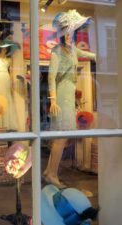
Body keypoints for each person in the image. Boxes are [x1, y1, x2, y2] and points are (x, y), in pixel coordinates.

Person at [42, 10, 96, 189]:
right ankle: (51, 173)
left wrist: (105, 56)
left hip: (68, 95)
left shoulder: (73, 49)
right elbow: (51, 77)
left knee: (61, 137)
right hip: (62, 95)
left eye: (70, 31)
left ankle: (49, 171)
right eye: (65, 31)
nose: (68, 34)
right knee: (61, 137)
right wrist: (53, 100)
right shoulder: (57, 52)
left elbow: (90, 56)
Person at [0, 37, 22, 131]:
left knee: (7, 97)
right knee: (0, 96)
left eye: (6, 48)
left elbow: (11, 73)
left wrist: (12, 83)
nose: (4, 49)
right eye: (3, 48)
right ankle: (0, 122)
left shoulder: (9, 60)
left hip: (6, 77)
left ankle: (7, 122)